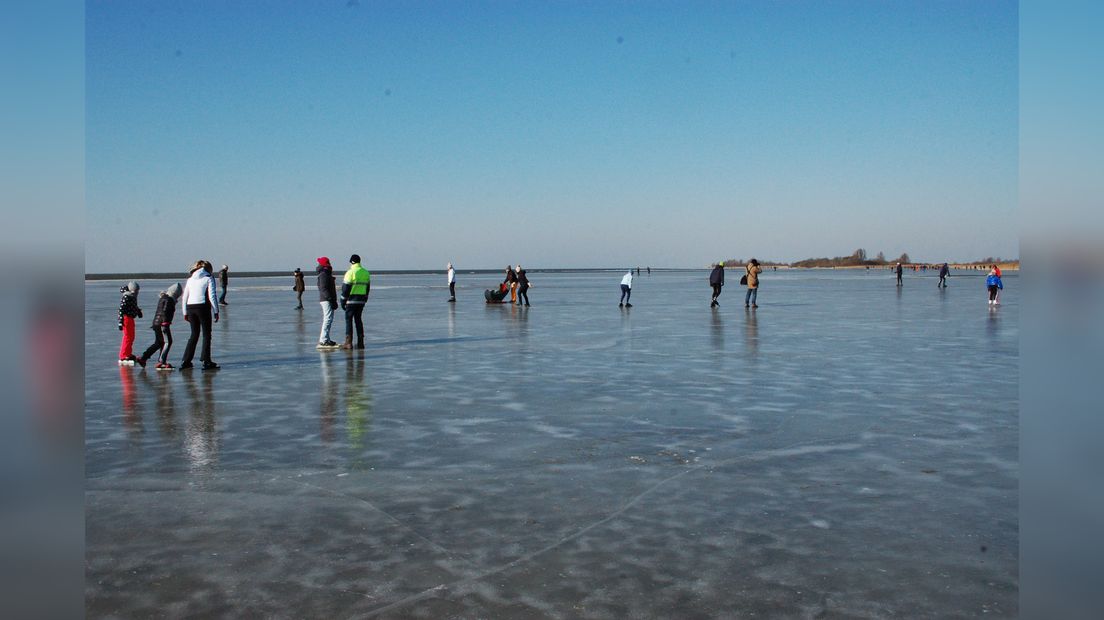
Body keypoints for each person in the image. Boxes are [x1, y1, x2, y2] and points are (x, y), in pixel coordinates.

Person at [180, 260, 220, 370]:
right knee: (207, 334)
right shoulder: (208, 278)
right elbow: (212, 296)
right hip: (203, 307)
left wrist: (185, 312)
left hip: (190, 307)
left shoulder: (190, 279)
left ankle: (186, 361)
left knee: (194, 334)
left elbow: (184, 297)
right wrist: (216, 311)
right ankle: (206, 361)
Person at [139, 283, 182, 370]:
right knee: (168, 342)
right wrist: (165, 323)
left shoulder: (164, 298)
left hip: (156, 323)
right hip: (162, 324)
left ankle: (143, 358)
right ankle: (161, 362)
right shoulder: (169, 300)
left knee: (159, 343)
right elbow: (165, 311)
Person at [340, 254, 371, 349]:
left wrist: (342, 300)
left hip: (351, 301)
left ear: (351, 262)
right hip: (361, 301)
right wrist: (365, 298)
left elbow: (345, 289)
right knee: (358, 320)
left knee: (349, 320)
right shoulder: (365, 272)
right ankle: (361, 342)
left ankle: (348, 342)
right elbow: (367, 287)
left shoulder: (350, 272)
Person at [316, 257, 339, 348]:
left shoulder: (326, 274)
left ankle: (326, 339)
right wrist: (331, 299)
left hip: (328, 299)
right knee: (327, 319)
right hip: (326, 300)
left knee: (329, 319)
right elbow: (323, 289)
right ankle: (323, 340)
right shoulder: (323, 275)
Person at [117, 281, 143, 365]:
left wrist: (138, 312)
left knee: (131, 337)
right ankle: (123, 355)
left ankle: (128, 353)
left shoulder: (132, 297)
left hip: (131, 318)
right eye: (136, 290)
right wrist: (120, 322)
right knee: (127, 337)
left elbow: (134, 306)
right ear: (132, 290)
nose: (137, 292)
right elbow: (121, 309)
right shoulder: (126, 297)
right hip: (126, 319)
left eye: (138, 291)